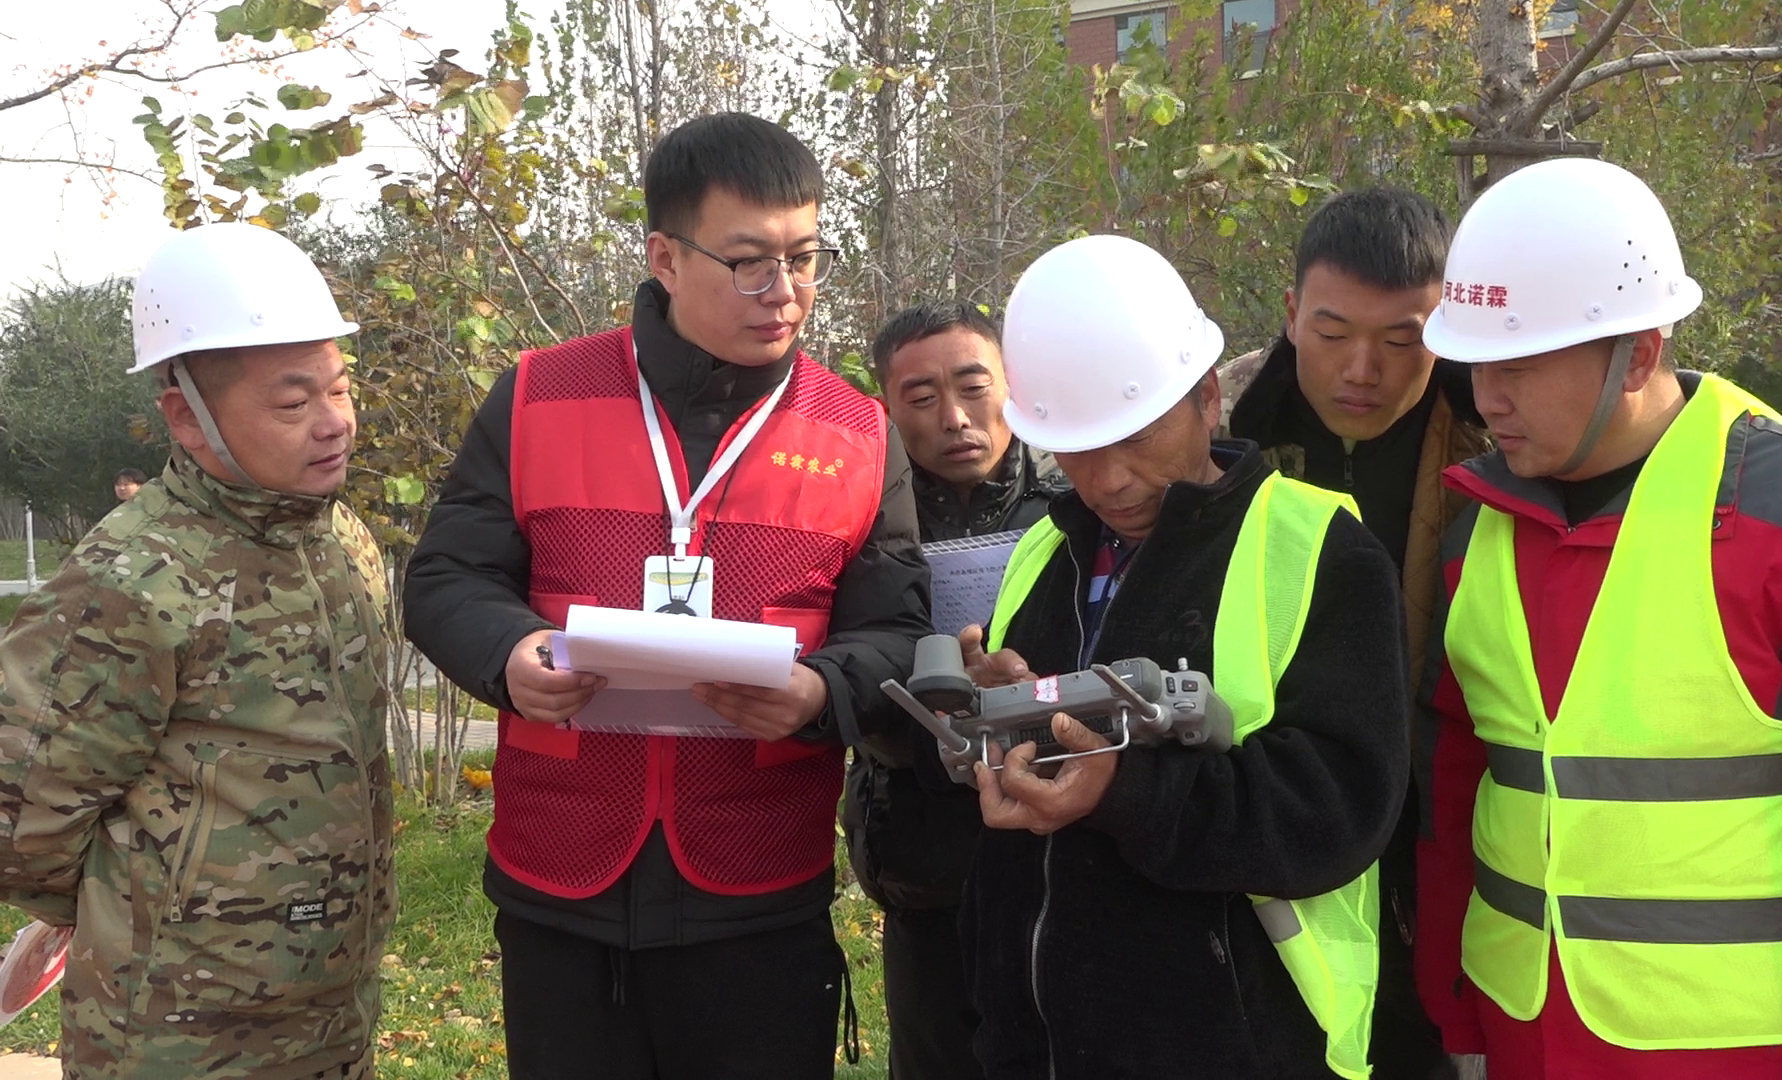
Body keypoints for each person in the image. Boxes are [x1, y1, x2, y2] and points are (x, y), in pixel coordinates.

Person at [403, 112, 931, 1080]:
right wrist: (511, 656)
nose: (786, 292)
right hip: (562, 882)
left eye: (805, 258)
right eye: (750, 263)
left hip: (758, 890)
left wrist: (821, 692)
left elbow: (896, 627)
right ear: (665, 257)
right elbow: (446, 577)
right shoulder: (539, 396)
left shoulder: (858, 433)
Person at [1416, 157, 1782, 1080]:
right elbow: (1456, 791)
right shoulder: (1476, 537)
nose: (1487, 399)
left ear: (1641, 353)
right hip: (1527, 1042)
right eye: (1476, 364)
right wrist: (1453, 1013)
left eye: (1518, 366)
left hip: (1765, 1056)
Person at [956, 233, 1409, 1080]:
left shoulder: (1318, 549)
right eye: (1077, 448)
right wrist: (995, 717)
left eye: (1136, 436)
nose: (1109, 480)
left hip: (1235, 1045)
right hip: (1041, 1044)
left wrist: (1125, 791)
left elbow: (1339, 809)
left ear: (1206, 396)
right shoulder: (1043, 554)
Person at [0, 222, 393, 1078]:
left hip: (332, 1013)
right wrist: (148, 905)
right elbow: (21, 818)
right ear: (186, 416)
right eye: (293, 404)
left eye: (339, 388)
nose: (334, 422)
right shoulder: (131, 579)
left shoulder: (341, 541)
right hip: (178, 1031)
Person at [1219, 187, 1483, 1080]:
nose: (1362, 370)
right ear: (1292, 313)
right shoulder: (1222, 433)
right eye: (1332, 335)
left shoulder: (1497, 441)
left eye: (1403, 341)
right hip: (1268, 835)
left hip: (1443, 847)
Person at [843, 302, 1068, 1080]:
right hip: (924, 858)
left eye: (974, 387)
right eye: (921, 396)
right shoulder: (859, 522)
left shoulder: (1077, 503)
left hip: (1063, 849)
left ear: (1011, 385)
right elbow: (848, 683)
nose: (955, 418)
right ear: (886, 407)